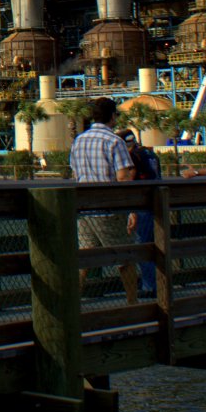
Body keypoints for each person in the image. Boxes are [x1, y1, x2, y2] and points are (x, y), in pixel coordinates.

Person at [69, 96, 137, 305]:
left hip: (83, 207)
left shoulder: (79, 140)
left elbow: (74, 175)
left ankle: (74, 303)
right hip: (108, 208)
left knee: (84, 260)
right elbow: (123, 178)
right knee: (125, 257)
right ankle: (132, 303)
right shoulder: (114, 141)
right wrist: (132, 209)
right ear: (113, 116)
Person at [120, 127, 160, 297]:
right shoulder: (150, 154)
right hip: (157, 202)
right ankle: (157, 285)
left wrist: (131, 209)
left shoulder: (132, 156)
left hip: (142, 204)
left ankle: (149, 287)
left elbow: (130, 177)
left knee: (143, 246)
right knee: (154, 246)